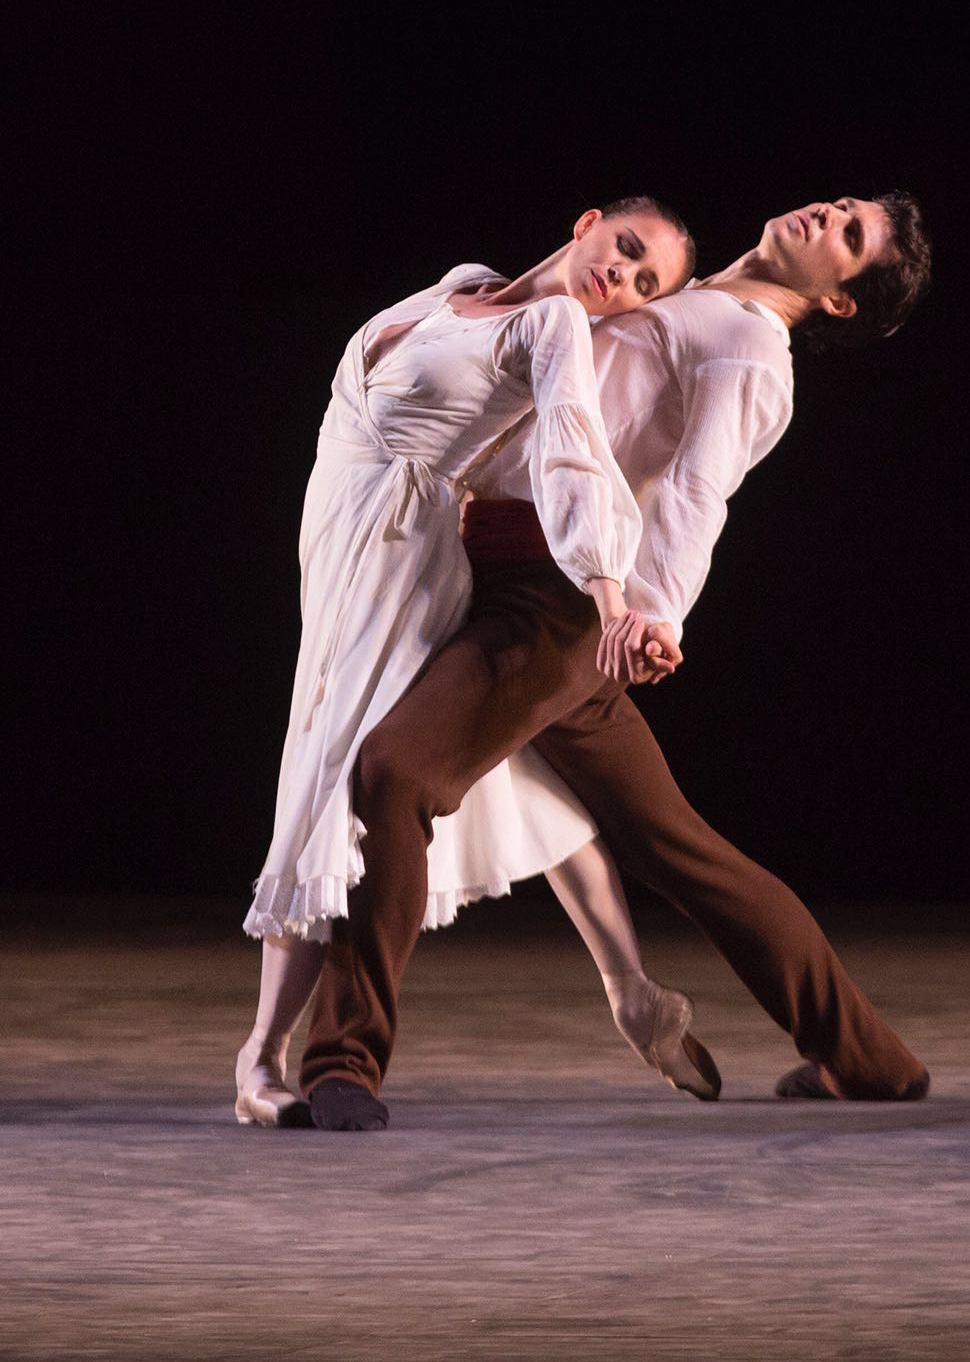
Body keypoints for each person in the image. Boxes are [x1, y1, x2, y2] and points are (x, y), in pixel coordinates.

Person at [296, 193, 935, 1131]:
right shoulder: (698, 296)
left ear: (839, 299)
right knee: (677, 848)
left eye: (849, 234)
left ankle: (342, 1062)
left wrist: (654, 611)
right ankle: (869, 1061)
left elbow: (699, 489)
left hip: (558, 607)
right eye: (840, 203)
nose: (824, 215)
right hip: (505, 572)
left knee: (394, 773)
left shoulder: (748, 345)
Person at [234, 197, 699, 1126]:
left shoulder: (553, 326)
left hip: (399, 564)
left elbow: (575, 453)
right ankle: (628, 986)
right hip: (339, 539)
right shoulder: (460, 284)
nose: (622, 276)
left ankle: (263, 1059)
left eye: (644, 284)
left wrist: (612, 596)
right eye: (626, 249)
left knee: (329, 771)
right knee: (507, 777)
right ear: (588, 224)